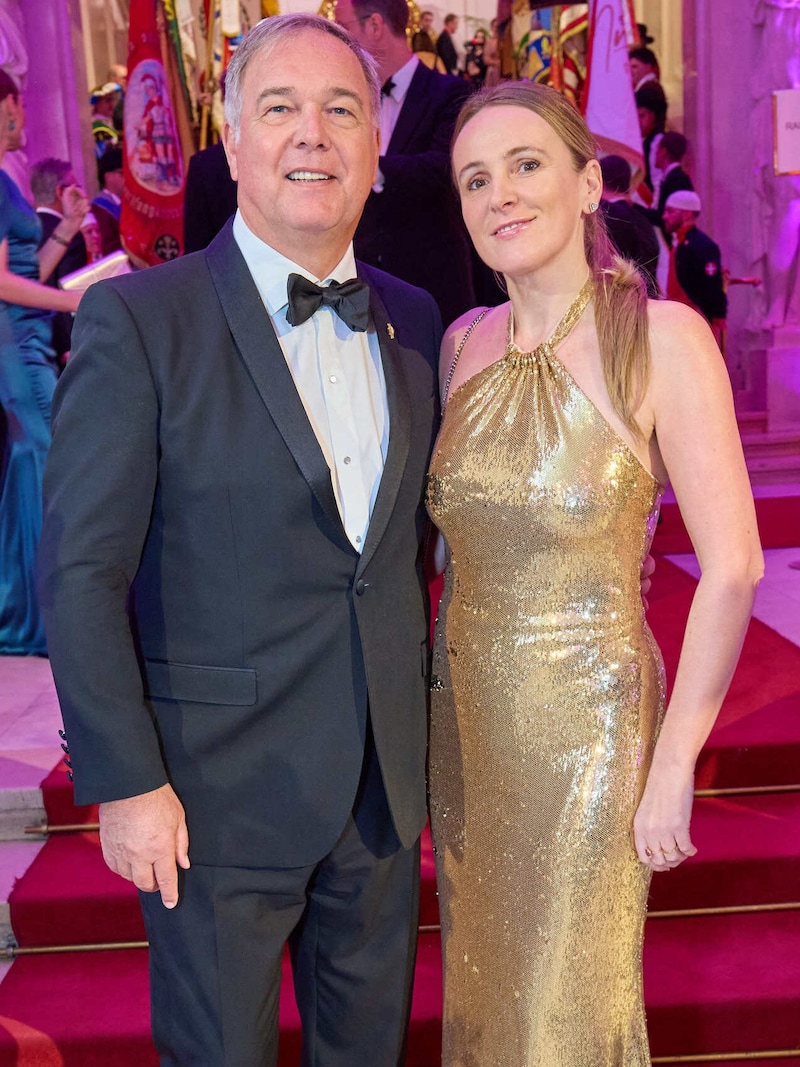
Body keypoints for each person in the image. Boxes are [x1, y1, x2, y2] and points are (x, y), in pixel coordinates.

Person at [39, 14, 440, 1066]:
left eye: (340, 109)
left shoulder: (416, 321)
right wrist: (126, 780)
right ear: (229, 130)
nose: (312, 134)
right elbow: (80, 572)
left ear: (372, 148)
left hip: (379, 798)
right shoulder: (138, 321)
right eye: (280, 107)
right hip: (208, 803)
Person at [426, 82, 762, 1065]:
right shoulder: (458, 344)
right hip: (467, 726)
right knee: (487, 1001)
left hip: (594, 732)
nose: (499, 195)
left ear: (586, 183)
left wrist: (670, 766)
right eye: (473, 179)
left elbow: (733, 566)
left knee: (565, 1008)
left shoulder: (659, 335)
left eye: (525, 165)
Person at [0, 74, 86, 655]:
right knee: (44, 463)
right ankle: (39, 618)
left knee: (31, 467)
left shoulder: (7, 174)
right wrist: (73, 301)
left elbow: (28, 270)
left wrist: (70, 229)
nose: (24, 114)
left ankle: (21, 612)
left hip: (26, 339)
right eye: (16, 103)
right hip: (12, 344)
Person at [337, 0, 479, 326]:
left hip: (431, 287)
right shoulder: (345, 101)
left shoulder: (451, 93)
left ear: (374, 25)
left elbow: (447, 169)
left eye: (345, 30)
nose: (340, 43)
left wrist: (371, 168)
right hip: (360, 292)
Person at [663, 189, 727, 347]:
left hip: (696, 321)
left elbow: (712, 286)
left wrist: (716, 315)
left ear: (686, 214)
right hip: (679, 320)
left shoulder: (702, 245)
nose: (665, 217)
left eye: (670, 211)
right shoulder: (679, 242)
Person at [599, 154, 660, 297]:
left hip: (615, 303)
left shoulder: (600, 217)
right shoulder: (643, 218)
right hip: (647, 302)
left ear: (599, 181)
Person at [92, 146, 124, 255]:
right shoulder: (100, 210)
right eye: (122, 173)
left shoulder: (128, 203)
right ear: (108, 177)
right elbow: (108, 249)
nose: (127, 179)